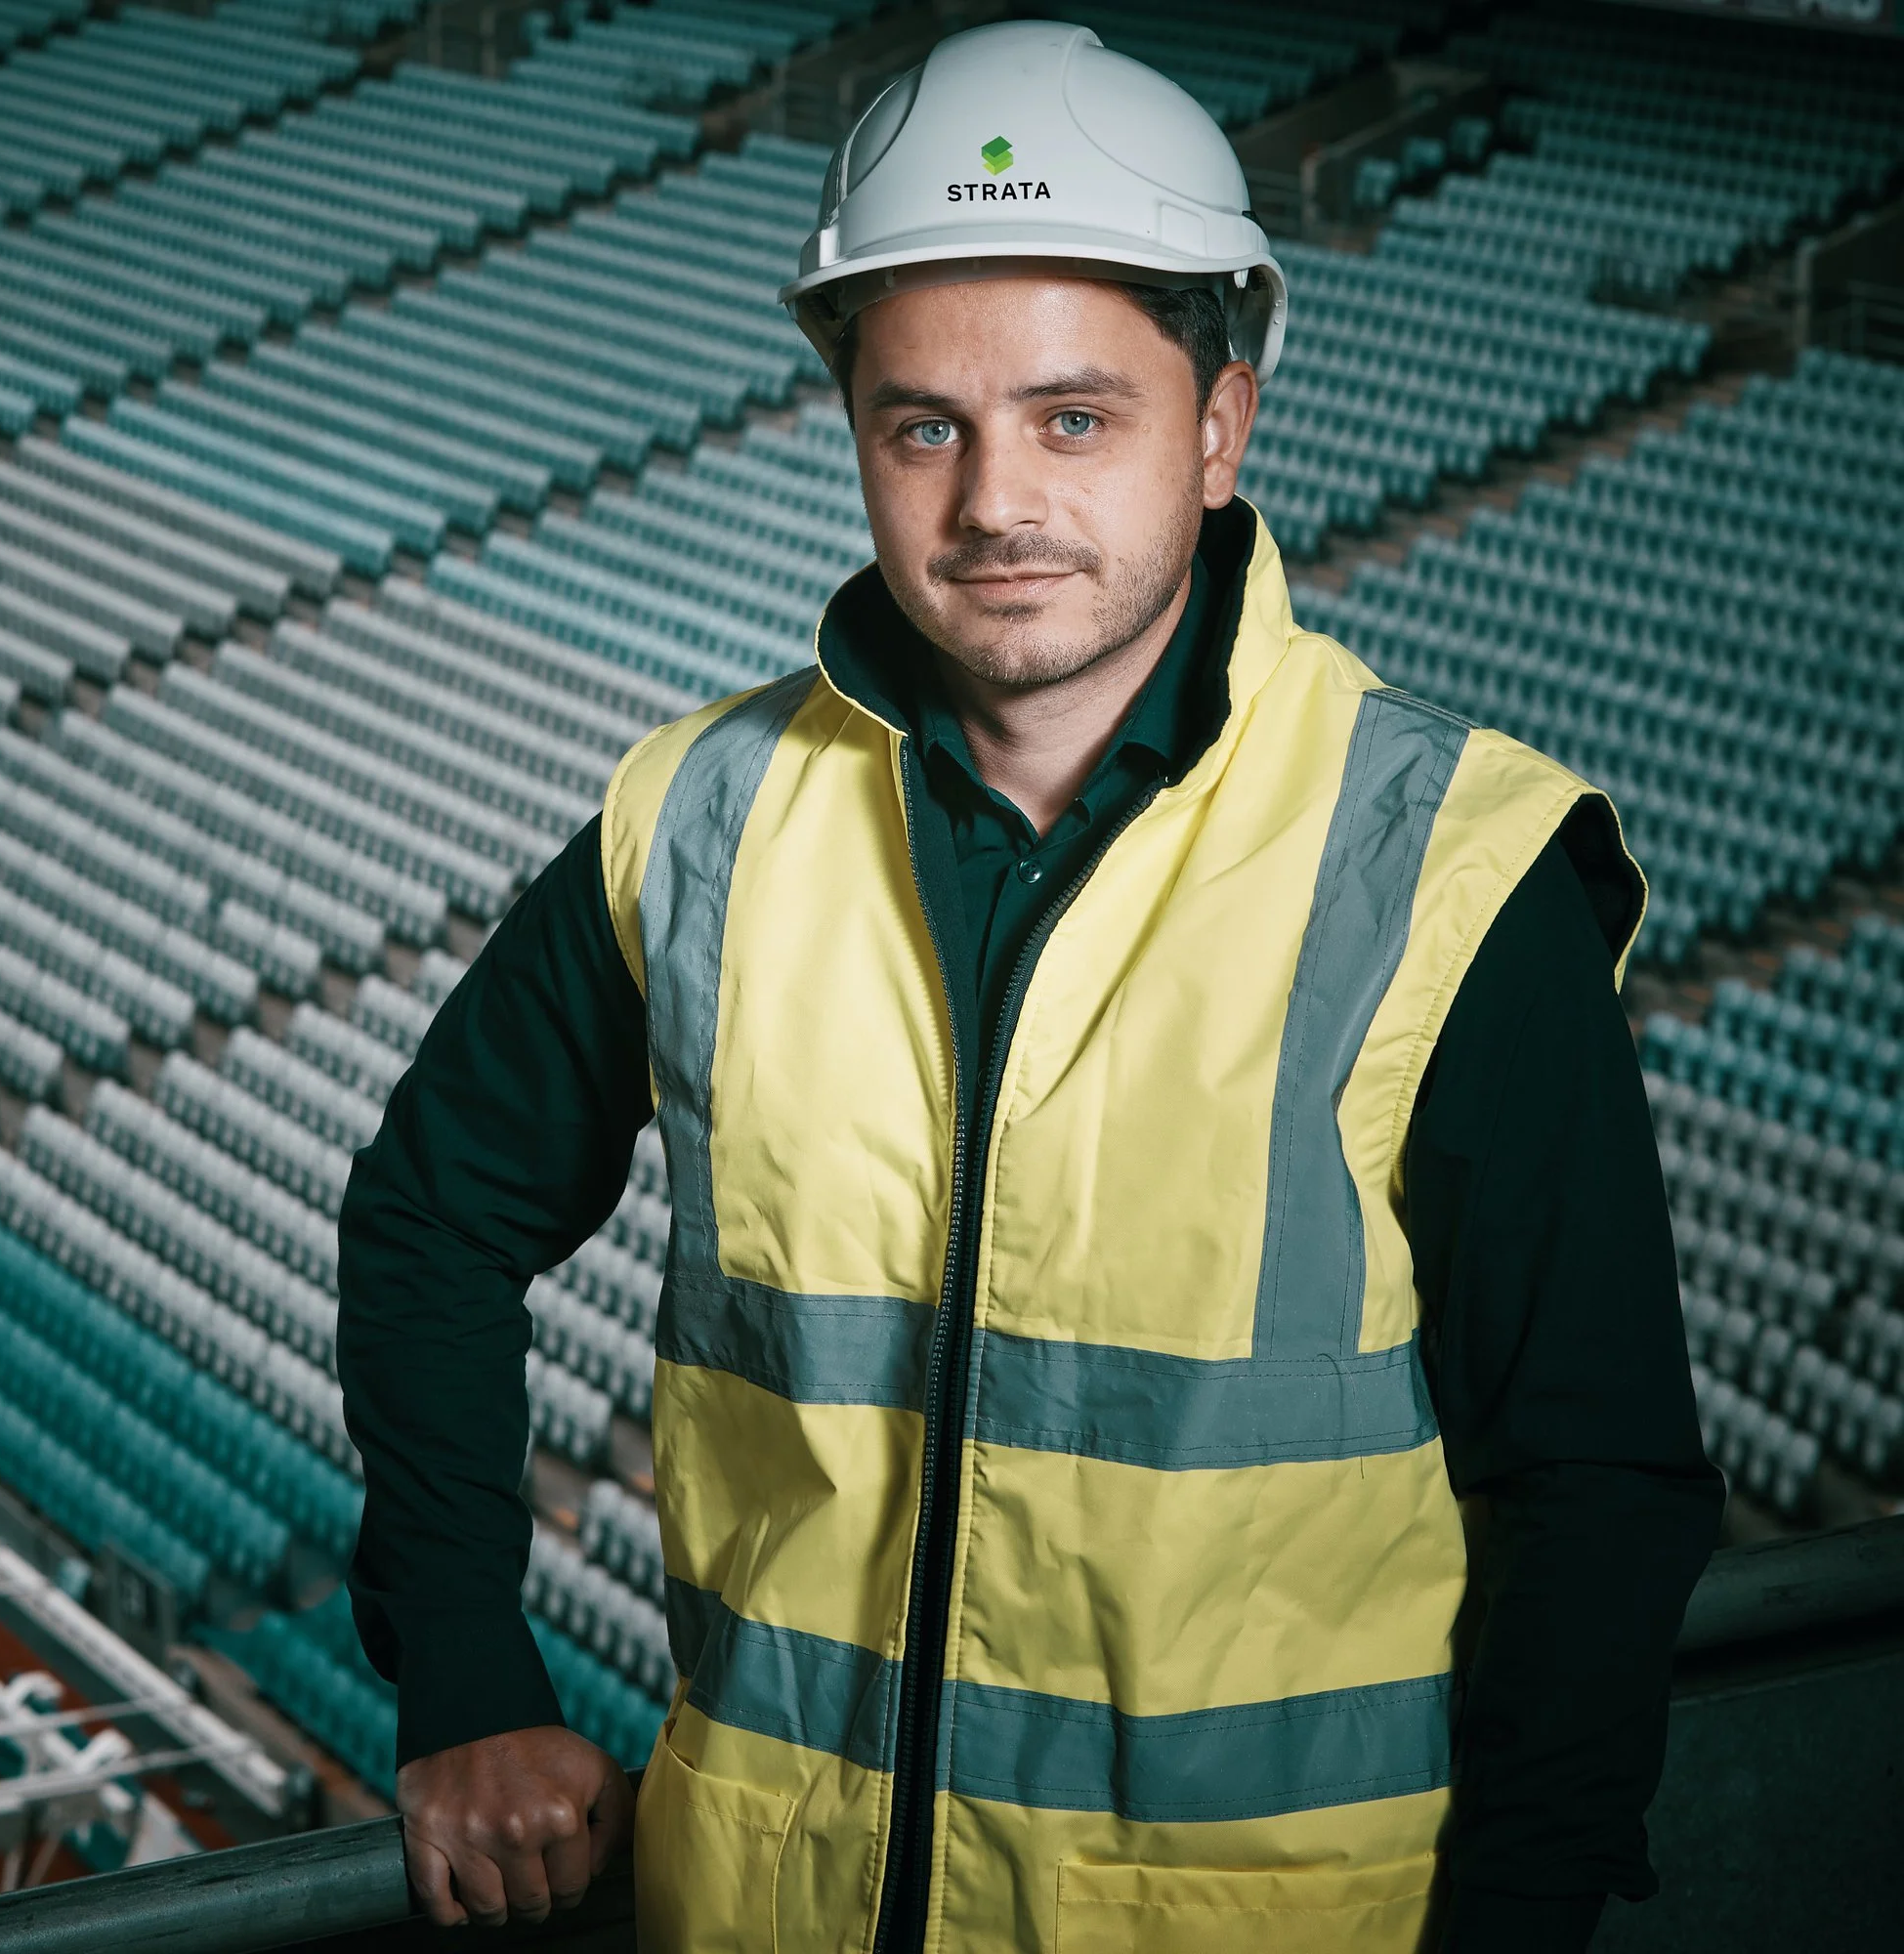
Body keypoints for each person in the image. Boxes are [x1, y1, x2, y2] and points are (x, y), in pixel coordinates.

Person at [335, 21, 1721, 1952]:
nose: (992, 502)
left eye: (1074, 418)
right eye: (925, 425)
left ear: (1219, 427)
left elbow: (1596, 1482)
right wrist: (465, 1671)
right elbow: (427, 1213)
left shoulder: (1450, 868)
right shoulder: (703, 818)